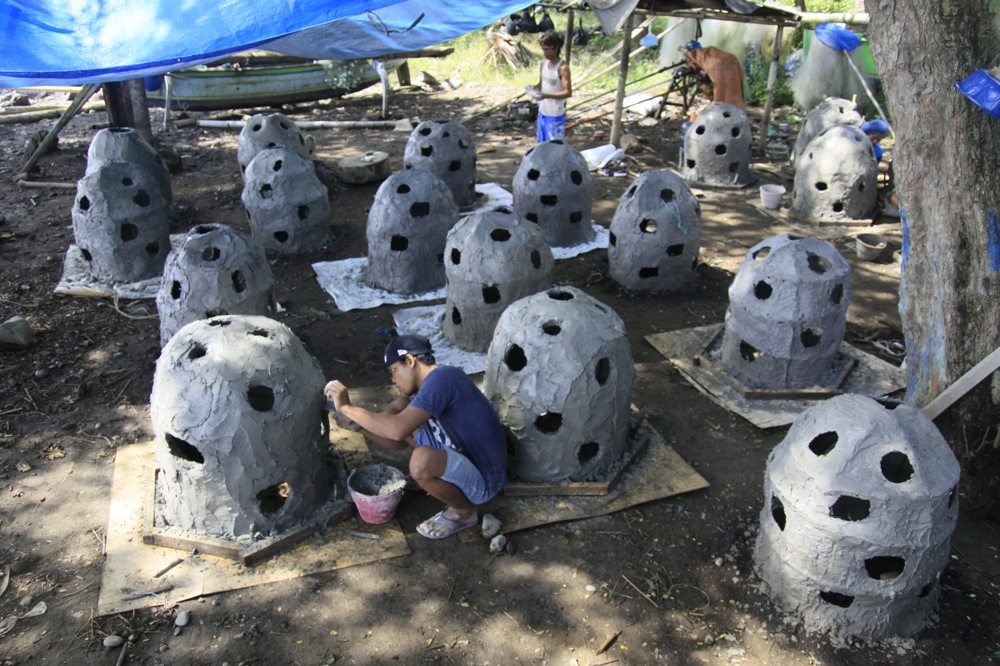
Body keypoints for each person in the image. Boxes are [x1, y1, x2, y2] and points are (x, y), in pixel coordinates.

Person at [325, 334, 508, 539]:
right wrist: (359, 428)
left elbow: (398, 430)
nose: (393, 379)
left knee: (421, 460)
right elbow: (398, 441)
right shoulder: (431, 385)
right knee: (397, 409)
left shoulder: (443, 378)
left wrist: (348, 408)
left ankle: (464, 512)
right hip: (465, 459)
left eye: (393, 371)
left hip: (485, 479)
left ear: (410, 361)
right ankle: (444, 484)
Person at [527, 30, 572, 143]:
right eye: (543, 49)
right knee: (541, 145)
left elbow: (568, 92)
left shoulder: (562, 68)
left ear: (556, 48)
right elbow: (541, 84)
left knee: (554, 146)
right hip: (543, 112)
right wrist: (533, 89)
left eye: (547, 49)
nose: (545, 53)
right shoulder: (543, 64)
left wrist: (547, 95)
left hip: (555, 114)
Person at [680, 40, 746, 109]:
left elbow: (691, 54)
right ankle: (737, 107)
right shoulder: (709, 51)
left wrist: (682, 49)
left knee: (721, 90)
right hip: (733, 61)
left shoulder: (697, 54)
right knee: (735, 87)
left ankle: (721, 107)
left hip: (719, 68)